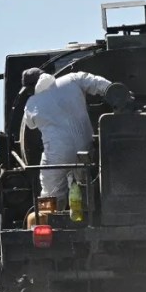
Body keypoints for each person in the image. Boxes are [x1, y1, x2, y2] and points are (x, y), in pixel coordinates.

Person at [20, 67, 125, 202]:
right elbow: (99, 83)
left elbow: (30, 124)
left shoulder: (32, 103)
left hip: (57, 154)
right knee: (85, 184)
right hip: (85, 146)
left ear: (31, 87)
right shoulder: (72, 79)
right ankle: (89, 209)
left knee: (51, 190)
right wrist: (117, 95)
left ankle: (53, 216)